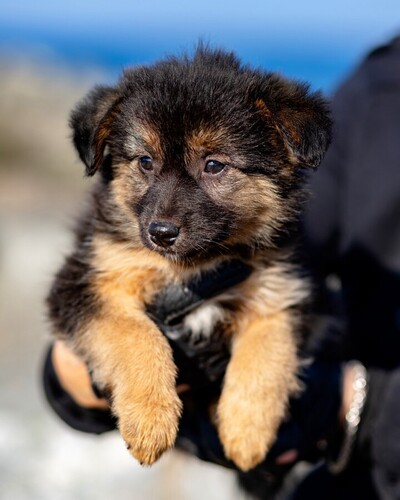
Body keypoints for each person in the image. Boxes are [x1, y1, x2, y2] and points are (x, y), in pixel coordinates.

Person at [42, 36, 400, 499]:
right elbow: (79, 317)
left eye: (214, 166)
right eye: (146, 163)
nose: (164, 215)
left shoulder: (272, 251)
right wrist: (78, 380)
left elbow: (276, 317)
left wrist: (349, 403)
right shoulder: (379, 86)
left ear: (284, 160)